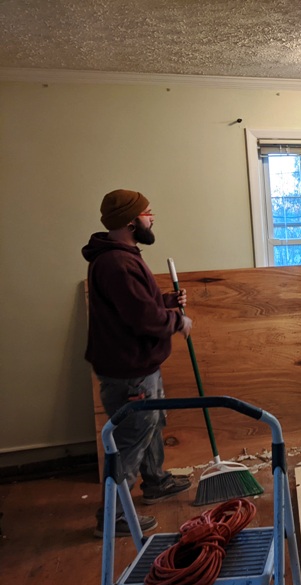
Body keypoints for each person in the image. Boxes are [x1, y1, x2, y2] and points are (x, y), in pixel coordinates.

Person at [83, 189, 193, 537]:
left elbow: (134, 305)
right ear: (131, 221)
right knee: (132, 436)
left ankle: (156, 481)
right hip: (129, 371)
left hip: (137, 364)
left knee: (151, 424)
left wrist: (165, 300)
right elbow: (142, 319)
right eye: (147, 212)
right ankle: (114, 516)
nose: (152, 218)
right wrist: (177, 321)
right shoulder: (117, 263)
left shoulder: (122, 256)